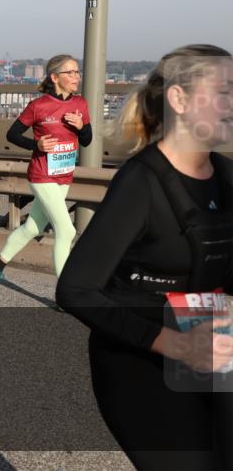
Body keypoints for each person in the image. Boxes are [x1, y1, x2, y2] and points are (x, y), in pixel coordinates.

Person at [57, 45, 233, 470]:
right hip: (141, 359)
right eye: (223, 92)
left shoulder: (228, 176)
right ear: (179, 99)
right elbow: (76, 289)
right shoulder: (141, 182)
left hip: (214, 343)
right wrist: (175, 343)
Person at [0, 54, 92, 295]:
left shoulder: (80, 104)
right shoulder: (38, 106)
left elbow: (87, 140)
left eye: (77, 72)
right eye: (70, 72)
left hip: (64, 176)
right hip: (42, 176)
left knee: (32, 228)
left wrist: (82, 127)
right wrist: (36, 145)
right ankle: (66, 294)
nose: (76, 76)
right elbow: (12, 134)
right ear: (55, 78)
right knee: (67, 230)